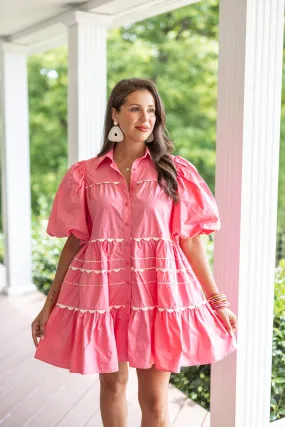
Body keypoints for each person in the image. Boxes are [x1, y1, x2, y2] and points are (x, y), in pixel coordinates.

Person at [31, 77, 238, 427]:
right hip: (102, 295)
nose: (146, 118)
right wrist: (48, 304)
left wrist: (218, 301)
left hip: (156, 296)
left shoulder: (175, 172)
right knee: (112, 384)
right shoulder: (86, 174)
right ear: (115, 115)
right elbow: (77, 240)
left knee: (155, 401)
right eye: (135, 109)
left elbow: (190, 242)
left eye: (152, 111)